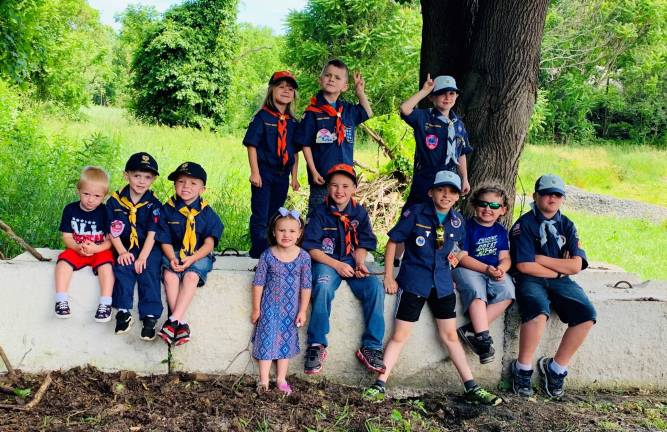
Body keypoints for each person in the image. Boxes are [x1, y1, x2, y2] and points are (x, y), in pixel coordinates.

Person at [363, 170, 501, 406]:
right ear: (431, 191)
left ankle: (471, 386)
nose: (446, 195)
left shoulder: (457, 221)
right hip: (414, 281)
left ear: (459, 196)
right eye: (441, 189)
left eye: (452, 191)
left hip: (443, 285)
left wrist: (456, 257)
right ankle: (379, 383)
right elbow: (393, 242)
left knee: (449, 336)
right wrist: (389, 276)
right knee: (400, 335)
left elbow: (460, 248)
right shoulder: (415, 213)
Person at [510, 174, 596, 399]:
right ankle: (523, 368)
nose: (552, 198)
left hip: (560, 279)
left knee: (586, 314)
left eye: (557, 194)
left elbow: (576, 265)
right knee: (538, 311)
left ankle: (556, 367)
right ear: (535, 195)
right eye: (547, 193)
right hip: (530, 279)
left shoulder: (567, 225)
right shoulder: (524, 225)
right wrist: (560, 266)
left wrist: (542, 259)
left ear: (562, 198)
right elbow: (525, 265)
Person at [301, 163, 386, 375]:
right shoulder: (319, 213)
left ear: (354, 188)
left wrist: (359, 263)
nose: (340, 191)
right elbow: (311, 248)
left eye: (346, 186)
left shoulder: (360, 213)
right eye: (335, 185)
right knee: (322, 286)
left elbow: (364, 243)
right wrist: (337, 265)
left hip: (351, 261)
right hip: (327, 262)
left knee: (375, 288)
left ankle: (372, 346)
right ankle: (316, 344)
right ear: (328, 187)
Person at [395, 74, 473, 265]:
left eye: (452, 93)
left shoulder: (459, 125)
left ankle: (436, 256)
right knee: (410, 214)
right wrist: (424, 91)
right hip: (427, 175)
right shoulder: (424, 117)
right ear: (432, 97)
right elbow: (405, 109)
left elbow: (461, 152)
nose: (447, 97)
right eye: (441, 94)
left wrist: (464, 178)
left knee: (441, 217)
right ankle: (396, 258)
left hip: (449, 177)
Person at [155, 162, 224, 346]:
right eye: (181, 181)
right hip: (174, 252)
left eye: (193, 183)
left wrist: (192, 258)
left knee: (191, 276)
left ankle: (172, 320)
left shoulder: (207, 213)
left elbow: (209, 244)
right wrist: (171, 258)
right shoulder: (167, 209)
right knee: (170, 275)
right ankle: (180, 324)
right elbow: (164, 240)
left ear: (202, 189)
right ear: (174, 184)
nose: (186, 187)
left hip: (198, 254)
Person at [295, 59, 373, 215]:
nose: (331, 79)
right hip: (322, 179)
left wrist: (360, 93)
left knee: (341, 219)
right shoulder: (312, 112)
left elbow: (368, 113)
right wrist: (314, 171)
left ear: (344, 86)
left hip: (343, 181)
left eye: (337, 78)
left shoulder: (348, 110)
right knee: (318, 217)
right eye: (328, 75)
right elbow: (305, 144)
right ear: (320, 79)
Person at [251, 208, 312, 395]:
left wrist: (302, 310)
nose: (287, 235)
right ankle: (263, 380)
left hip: (290, 309)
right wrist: (256, 309)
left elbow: (306, 286)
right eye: (282, 230)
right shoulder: (267, 255)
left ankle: (281, 378)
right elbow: (258, 283)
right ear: (274, 232)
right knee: (266, 340)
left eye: (292, 231)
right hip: (269, 307)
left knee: (285, 342)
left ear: (300, 234)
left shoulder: (303, 257)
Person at [453, 183, 515, 364]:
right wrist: (486, 269)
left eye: (495, 205)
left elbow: (505, 257)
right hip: (468, 269)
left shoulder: (501, 231)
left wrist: (502, 268)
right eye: (483, 204)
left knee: (508, 291)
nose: (488, 208)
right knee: (477, 292)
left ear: (503, 210)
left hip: (492, 271)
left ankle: (472, 330)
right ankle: (483, 338)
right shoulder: (466, 226)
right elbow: (461, 258)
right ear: (474, 205)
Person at [244, 71, 301, 258]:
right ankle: (258, 251)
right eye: (281, 87)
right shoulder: (262, 117)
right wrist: (255, 172)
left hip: (282, 175)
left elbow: (293, 151)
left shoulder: (293, 122)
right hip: (264, 173)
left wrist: (294, 177)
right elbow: (251, 145)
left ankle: (270, 249)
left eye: (290, 88)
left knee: (275, 213)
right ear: (272, 90)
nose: (286, 91)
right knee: (260, 212)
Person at [107, 152, 163, 340]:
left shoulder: (153, 203)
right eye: (136, 175)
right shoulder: (115, 201)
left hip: (148, 247)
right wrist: (122, 251)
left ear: (153, 179)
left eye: (147, 177)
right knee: (123, 267)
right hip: (123, 245)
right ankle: (123, 312)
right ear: (126, 175)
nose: (141, 181)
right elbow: (112, 230)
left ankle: (150, 317)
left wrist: (143, 257)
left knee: (149, 270)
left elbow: (153, 232)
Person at [54, 166, 114, 322]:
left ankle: (105, 303)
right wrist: (76, 247)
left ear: (104, 196)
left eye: (97, 196)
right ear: (78, 190)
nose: (90, 199)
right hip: (76, 249)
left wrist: (98, 248)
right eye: (86, 194)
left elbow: (110, 239)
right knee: (62, 263)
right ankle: (61, 300)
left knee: (107, 267)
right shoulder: (70, 209)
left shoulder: (105, 211)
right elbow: (66, 236)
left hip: (99, 249)